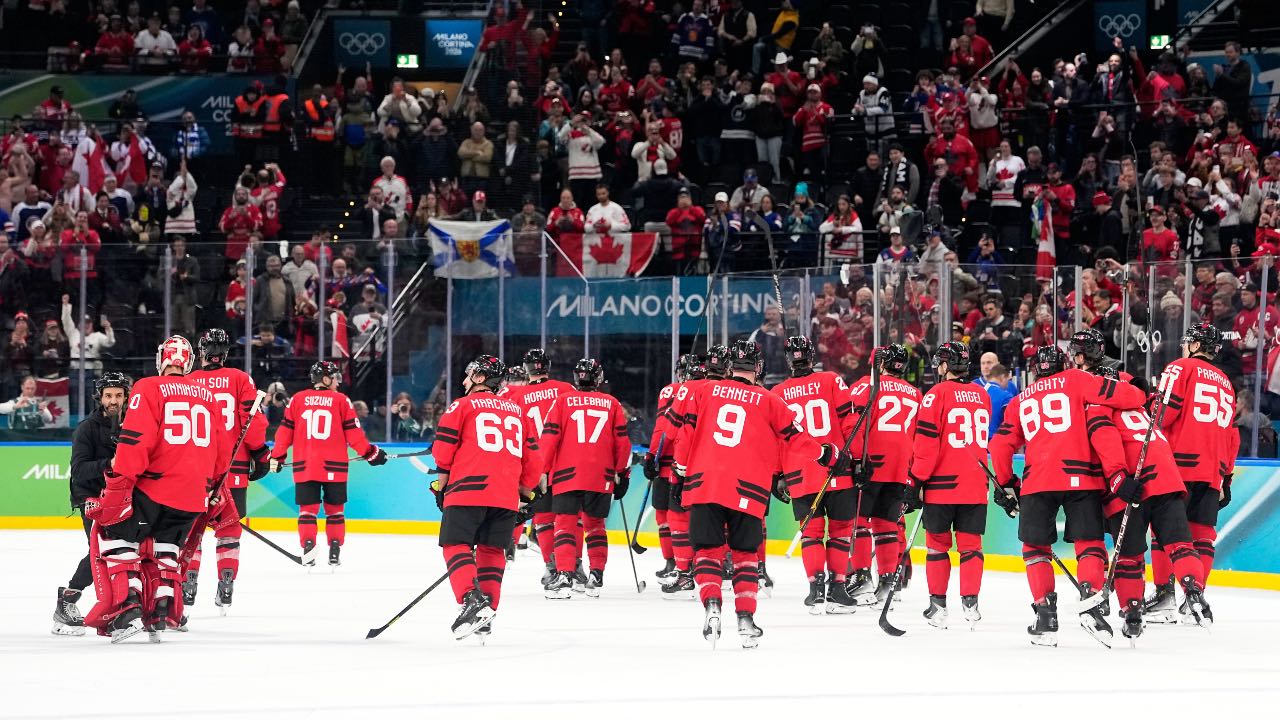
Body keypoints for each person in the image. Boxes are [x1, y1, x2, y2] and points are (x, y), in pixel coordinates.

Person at [672, 340, 839, 647]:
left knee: (707, 550)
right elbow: (796, 439)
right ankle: (745, 618)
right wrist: (824, 453)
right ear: (758, 368)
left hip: (705, 484)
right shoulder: (769, 400)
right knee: (745, 555)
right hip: (748, 488)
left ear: (729, 367)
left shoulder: (704, 391)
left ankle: (712, 605)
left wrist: (681, 469)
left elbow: (685, 433)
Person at [989, 345, 1145, 647]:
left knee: (1035, 548)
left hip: (1037, 480)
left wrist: (1006, 483)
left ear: (1035, 369)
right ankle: (1091, 601)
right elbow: (1123, 396)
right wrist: (1141, 393)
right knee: (1090, 543)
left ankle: (1045, 617)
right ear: (1063, 363)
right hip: (1082, 476)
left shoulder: (1021, 399)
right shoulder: (1076, 378)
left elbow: (1000, 445)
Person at [81, 336, 230, 642]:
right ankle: (160, 612)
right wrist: (214, 485)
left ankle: (129, 607)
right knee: (166, 549)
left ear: (162, 359)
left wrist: (120, 479)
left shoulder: (148, 387)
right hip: (192, 496)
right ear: (189, 362)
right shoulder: (208, 396)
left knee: (116, 535)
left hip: (155, 486)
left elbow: (135, 441)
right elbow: (222, 450)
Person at [1081, 364, 1211, 641]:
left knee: (1129, 557)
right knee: (1180, 545)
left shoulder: (1098, 406)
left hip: (1132, 485)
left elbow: (1105, 438)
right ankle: (1193, 590)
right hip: (1167, 479)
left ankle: (1132, 612)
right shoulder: (1141, 406)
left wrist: (1117, 478)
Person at [430, 355, 542, 639]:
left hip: (467, 489)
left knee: (455, 545)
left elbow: (443, 452)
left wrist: (441, 488)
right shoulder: (519, 412)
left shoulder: (462, 405)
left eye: (469, 375)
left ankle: (471, 600)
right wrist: (524, 493)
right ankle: (486, 613)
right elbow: (533, 460)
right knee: (492, 552)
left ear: (480, 378)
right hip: (505, 495)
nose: (464, 380)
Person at [1145, 324, 1239, 622]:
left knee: (1164, 531)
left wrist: (1149, 402)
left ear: (1196, 345)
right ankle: (1193, 599)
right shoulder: (1226, 382)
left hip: (1177, 465)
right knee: (1202, 536)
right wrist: (1226, 476)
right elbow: (1232, 435)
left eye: (1187, 343)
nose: (1183, 347)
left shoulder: (1180, 367)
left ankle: (1164, 597)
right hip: (1212, 470)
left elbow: (1162, 415)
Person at [770, 336, 858, 613]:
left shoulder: (777, 393)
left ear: (788, 360)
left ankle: (815, 590)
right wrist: (853, 457)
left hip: (800, 473)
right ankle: (838, 588)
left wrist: (777, 474)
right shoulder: (831, 380)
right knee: (841, 532)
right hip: (836, 468)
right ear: (811, 357)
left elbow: (776, 440)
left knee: (811, 533)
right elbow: (850, 421)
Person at [906, 343, 991, 629]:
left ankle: (938, 607)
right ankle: (971, 604)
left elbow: (926, 445)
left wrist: (915, 480)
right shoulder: (982, 394)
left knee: (937, 546)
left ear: (945, 365)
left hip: (942, 485)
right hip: (975, 483)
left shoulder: (936, 394)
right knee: (971, 546)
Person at [269, 361, 387, 566]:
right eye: (334, 378)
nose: (338, 382)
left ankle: (308, 547)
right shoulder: (341, 400)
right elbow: (355, 436)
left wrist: (277, 458)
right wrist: (371, 454)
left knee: (307, 509)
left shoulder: (297, 400)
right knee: (335, 509)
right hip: (335, 466)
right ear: (325, 379)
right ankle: (334, 549)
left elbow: (284, 435)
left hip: (305, 466)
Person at [182, 329, 268, 610]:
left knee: (192, 530)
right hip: (234, 470)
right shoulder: (241, 379)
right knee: (229, 531)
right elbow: (252, 421)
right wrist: (260, 453)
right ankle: (226, 582)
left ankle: (188, 581)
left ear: (201, 352)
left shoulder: (187, 381)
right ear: (226, 353)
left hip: (194, 470)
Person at [539, 359, 631, 598]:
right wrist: (622, 472)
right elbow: (622, 443)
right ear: (598, 378)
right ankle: (596, 574)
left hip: (567, 474)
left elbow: (549, 438)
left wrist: (542, 470)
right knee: (596, 525)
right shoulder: (612, 403)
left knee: (565, 525)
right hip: (601, 475)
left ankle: (565, 575)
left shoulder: (562, 401)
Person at [845, 344, 922, 606]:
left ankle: (862, 578)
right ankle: (888, 583)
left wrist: (855, 459)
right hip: (901, 468)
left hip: (870, 464)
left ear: (880, 364)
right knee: (887, 524)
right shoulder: (915, 393)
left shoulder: (866, 385)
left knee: (859, 522)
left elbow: (853, 424)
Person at [54, 372, 129, 635]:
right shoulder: (86, 428)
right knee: (102, 551)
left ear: (126, 397)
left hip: (122, 498)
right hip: (91, 498)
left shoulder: (132, 425)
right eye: (108, 395)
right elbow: (79, 470)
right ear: (100, 398)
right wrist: (109, 464)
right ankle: (68, 600)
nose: (113, 401)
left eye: (118, 395)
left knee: (125, 549)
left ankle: (127, 605)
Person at [499, 348, 576, 585]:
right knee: (570, 519)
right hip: (566, 463)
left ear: (526, 369)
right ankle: (575, 566)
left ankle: (551, 568)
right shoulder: (565, 389)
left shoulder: (516, 396)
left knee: (543, 520)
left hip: (534, 464)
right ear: (548, 366)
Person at [659, 345, 730, 598]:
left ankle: (685, 573)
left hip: (691, 464)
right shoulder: (736, 390)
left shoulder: (687, 389)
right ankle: (722, 569)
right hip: (726, 466)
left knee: (679, 518)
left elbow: (670, 430)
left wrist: (672, 464)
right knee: (722, 520)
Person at [643, 354, 701, 583]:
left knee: (666, 515)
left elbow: (663, 427)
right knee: (697, 516)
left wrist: (651, 455)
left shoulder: (671, 391)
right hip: (697, 463)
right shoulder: (710, 390)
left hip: (669, 463)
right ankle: (701, 563)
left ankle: (674, 563)